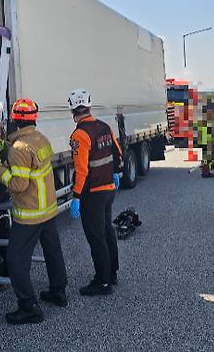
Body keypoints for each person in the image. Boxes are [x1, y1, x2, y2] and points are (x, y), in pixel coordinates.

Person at [0, 98, 68, 325]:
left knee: (15, 260)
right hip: (48, 208)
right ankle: (58, 292)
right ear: (34, 118)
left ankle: (29, 307)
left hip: (30, 213)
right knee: (52, 251)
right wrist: (6, 148)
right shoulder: (40, 139)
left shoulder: (19, 149)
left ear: (14, 119)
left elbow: (19, 185)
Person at [67, 88, 122, 296]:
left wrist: (76, 197)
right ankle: (112, 273)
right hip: (108, 189)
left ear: (73, 111)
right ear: (89, 107)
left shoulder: (80, 134)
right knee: (107, 232)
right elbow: (117, 152)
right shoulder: (105, 126)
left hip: (93, 193)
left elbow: (81, 170)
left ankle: (103, 281)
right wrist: (115, 173)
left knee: (96, 237)